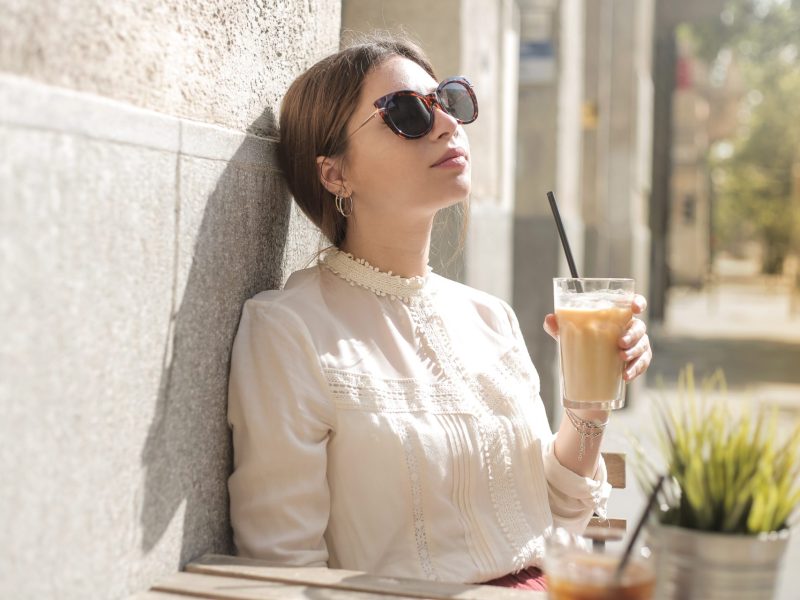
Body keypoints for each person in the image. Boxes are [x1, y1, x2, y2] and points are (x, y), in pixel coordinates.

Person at [226, 34, 652, 591]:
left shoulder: (491, 317)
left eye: (447, 102)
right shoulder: (291, 330)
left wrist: (589, 403)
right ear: (334, 174)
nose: (447, 125)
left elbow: (558, 516)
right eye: (404, 113)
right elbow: (283, 569)